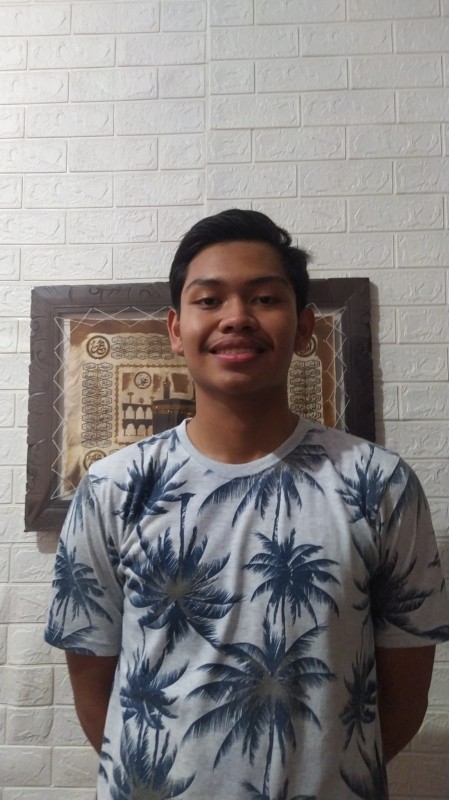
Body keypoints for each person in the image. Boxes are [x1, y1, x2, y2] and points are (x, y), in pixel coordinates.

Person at [45, 209, 449, 800]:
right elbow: (96, 694)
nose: (236, 318)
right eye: (209, 300)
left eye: (264, 298)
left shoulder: (379, 484)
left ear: (304, 327)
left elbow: (403, 698)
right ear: (176, 329)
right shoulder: (112, 488)